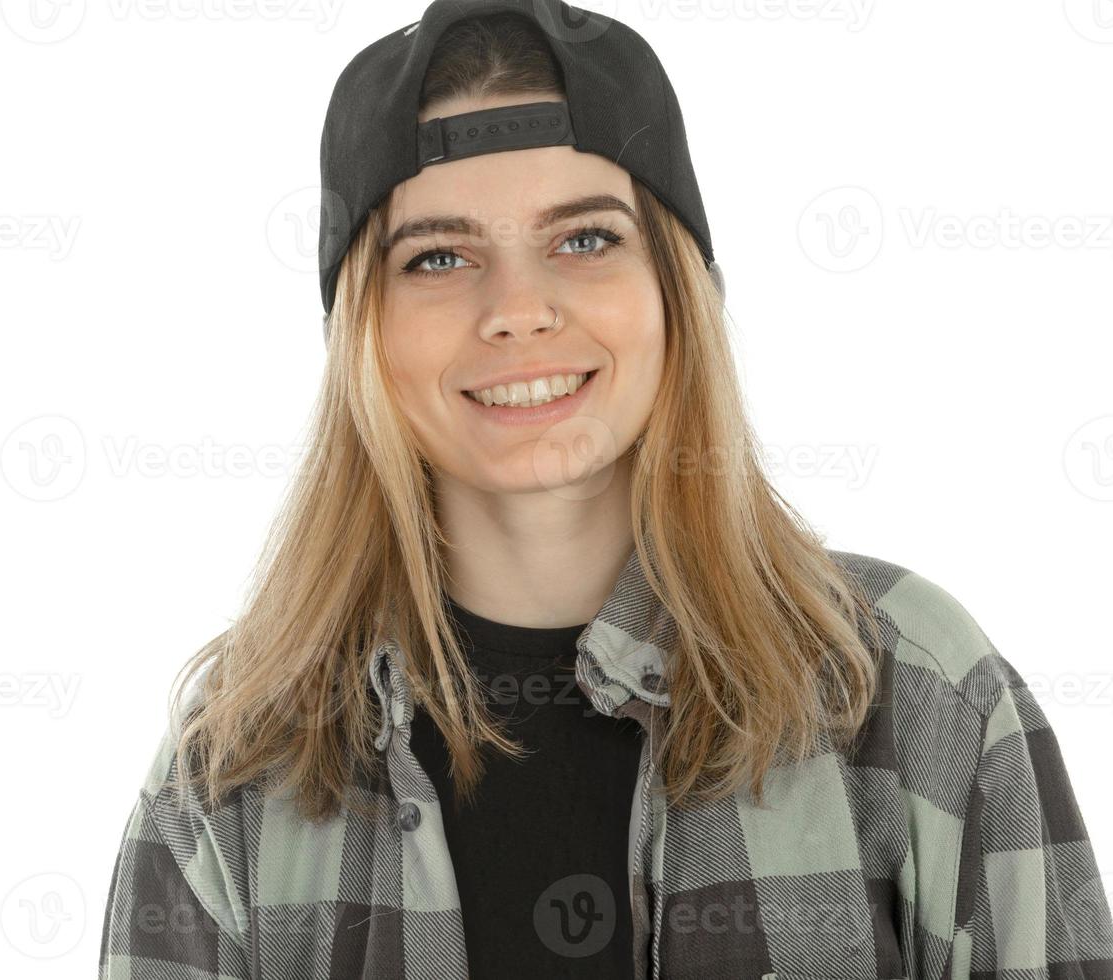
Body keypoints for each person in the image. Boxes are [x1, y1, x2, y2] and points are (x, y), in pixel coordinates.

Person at [98, 3, 1113, 978]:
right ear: (361, 331)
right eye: (439, 256)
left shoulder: (917, 700)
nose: (518, 309)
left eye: (584, 238)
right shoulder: (227, 779)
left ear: (677, 289)